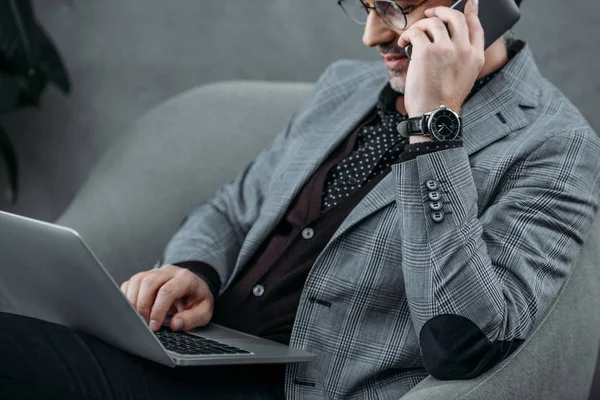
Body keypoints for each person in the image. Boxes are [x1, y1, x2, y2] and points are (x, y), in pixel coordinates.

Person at [2, 0, 599, 399]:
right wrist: (197, 270)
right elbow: (234, 206)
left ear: (483, 8)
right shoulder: (344, 87)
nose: (372, 36)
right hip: (197, 358)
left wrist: (433, 122)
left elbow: (461, 339)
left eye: (395, 8)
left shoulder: (555, 147)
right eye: (365, 6)